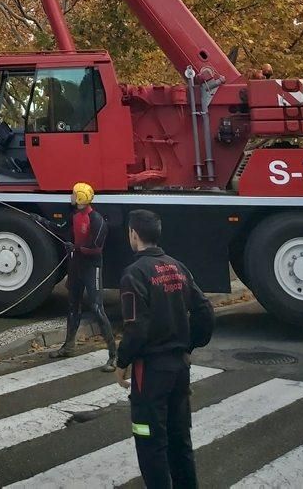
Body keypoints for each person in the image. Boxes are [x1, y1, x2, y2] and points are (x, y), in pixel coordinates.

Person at [115, 209, 215, 489]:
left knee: (150, 441)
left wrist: (122, 361)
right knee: (179, 438)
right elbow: (205, 311)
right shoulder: (177, 267)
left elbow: (136, 327)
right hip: (180, 367)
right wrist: (189, 346)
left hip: (151, 372)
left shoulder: (134, 274)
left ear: (133, 235)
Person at [50, 182, 117, 370]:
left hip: (92, 267)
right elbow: (60, 229)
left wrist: (76, 248)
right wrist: (39, 220)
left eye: (73, 194)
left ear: (80, 198)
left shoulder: (96, 219)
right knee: (72, 305)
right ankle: (68, 346)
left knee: (97, 308)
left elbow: (96, 247)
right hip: (76, 265)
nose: (71, 196)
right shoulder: (75, 216)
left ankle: (113, 355)